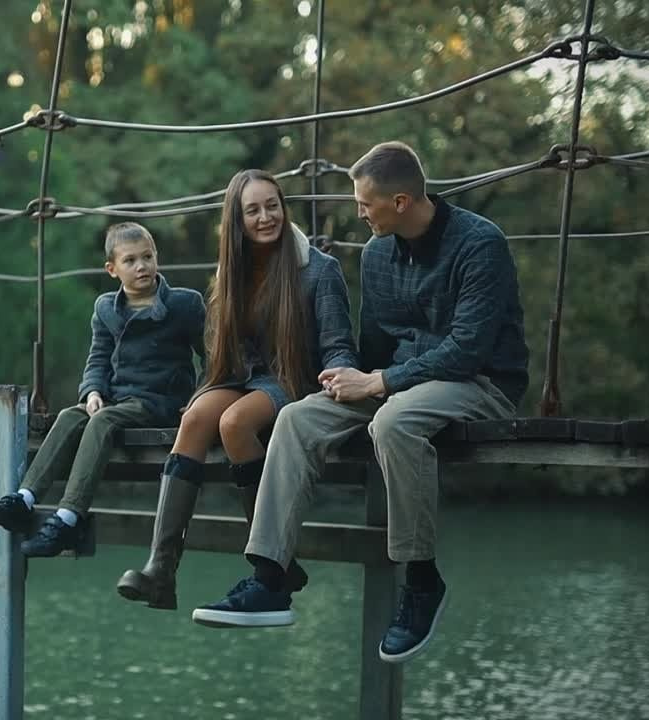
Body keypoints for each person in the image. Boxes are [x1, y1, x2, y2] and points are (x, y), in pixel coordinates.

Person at [192, 142, 529, 665]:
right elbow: (373, 346)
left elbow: (467, 351)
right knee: (298, 416)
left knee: (393, 421)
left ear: (399, 201)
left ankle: (420, 582)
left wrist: (379, 383)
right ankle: (271, 577)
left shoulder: (479, 244)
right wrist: (350, 380)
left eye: (365, 203)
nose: (359, 212)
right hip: (396, 382)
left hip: (479, 383)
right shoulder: (376, 253)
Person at [115, 169, 359, 610]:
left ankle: (274, 560)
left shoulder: (318, 270)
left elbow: (339, 344)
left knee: (234, 423)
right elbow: (223, 356)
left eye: (272, 206)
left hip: (295, 380)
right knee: (195, 418)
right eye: (253, 210)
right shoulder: (231, 272)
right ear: (237, 219)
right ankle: (161, 570)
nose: (266, 217)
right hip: (244, 377)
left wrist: (342, 375)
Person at [0, 222, 206, 557]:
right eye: (130, 261)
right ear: (112, 269)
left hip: (160, 400)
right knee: (72, 415)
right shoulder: (106, 309)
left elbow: (212, 355)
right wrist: (92, 392)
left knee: (103, 421)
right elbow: (97, 358)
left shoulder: (185, 304)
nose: (141, 266)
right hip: (115, 397)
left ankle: (67, 519)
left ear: (157, 258)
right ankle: (23, 500)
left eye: (147, 257)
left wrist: (199, 399)